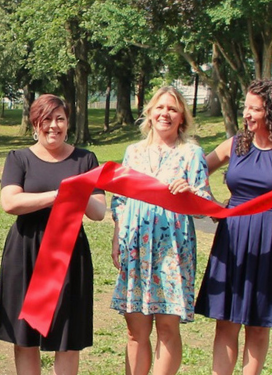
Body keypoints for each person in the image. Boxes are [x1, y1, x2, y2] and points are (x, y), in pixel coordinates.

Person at [199, 78, 272, 375]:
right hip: (233, 237)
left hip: (270, 238)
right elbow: (196, 171)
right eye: (245, 107)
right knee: (226, 321)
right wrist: (212, 206)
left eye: (255, 108)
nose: (246, 114)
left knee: (259, 324)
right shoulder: (234, 144)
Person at [0, 94, 108, 375]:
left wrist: (79, 193)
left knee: (67, 338)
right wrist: (58, 195)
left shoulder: (86, 158)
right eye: (46, 120)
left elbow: (99, 212)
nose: (53, 126)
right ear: (35, 123)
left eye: (60, 119)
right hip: (27, 251)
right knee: (25, 335)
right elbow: (10, 203)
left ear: (68, 123)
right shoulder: (19, 158)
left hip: (69, 254)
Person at [111, 86, 209, 375]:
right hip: (136, 246)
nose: (165, 113)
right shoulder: (133, 152)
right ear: (150, 113)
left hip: (173, 250)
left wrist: (190, 193)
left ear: (182, 118)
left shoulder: (192, 154)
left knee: (167, 328)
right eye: (160, 107)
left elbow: (204, 205)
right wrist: (117, 237)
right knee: (135, 329)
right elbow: (120, 200)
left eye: (173, 109)